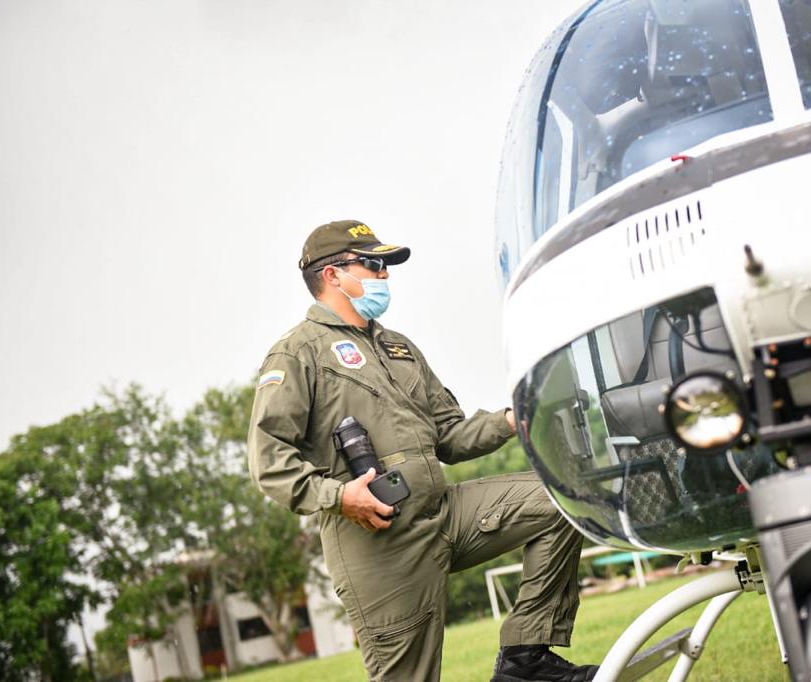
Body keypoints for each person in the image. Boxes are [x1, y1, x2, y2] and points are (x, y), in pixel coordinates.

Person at [247, 219, 598, 682]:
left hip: (444, 514)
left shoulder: (399, 347)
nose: (384, 274)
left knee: (561, 497)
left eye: (385, 265)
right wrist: (339, 497)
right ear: (331, 274)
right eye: (373, 264)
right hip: (381, 545)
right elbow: (268, 460)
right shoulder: (297, 354)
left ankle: (525, 659)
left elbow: (448, 435)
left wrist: (511, 420)